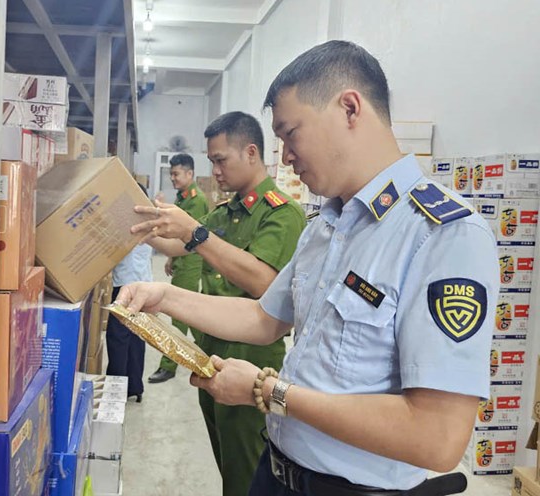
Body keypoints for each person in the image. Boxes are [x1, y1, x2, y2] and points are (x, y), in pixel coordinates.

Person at [117, 40, 498, 495]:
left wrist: (268, 390)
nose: (287, 155)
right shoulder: (327, 226)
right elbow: (265, 317)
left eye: (290, 134)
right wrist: (164, 296)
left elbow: (437, 438)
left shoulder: (441, 236)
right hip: (277, 473)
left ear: (349, 108)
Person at [134, 112, 306, 495]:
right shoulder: (227, 211)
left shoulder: (281, 214)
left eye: (220, 160)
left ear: (250, 152)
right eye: (211, 161)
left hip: (250, 358)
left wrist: (195, 233)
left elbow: (264, 282)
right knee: (226, 462)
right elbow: (180, 243)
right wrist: (142, 230)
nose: (215, 170)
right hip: (210, 353)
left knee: (247, 473)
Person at [148, 153, 210, 384]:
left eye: (176, 174)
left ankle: (168, 366)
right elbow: (180, 235)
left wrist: (176, 255)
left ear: (189, 174)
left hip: (192, 263)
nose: (172, 178)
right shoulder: (183, 197)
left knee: (179, 316)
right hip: (183, 261)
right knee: (193, 319)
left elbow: (193, 240)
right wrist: (171, 259)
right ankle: (213, 354)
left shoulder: (196, 200)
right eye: (171, 174)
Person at [105, 183, 153, 403]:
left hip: (125, 287)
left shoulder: (127, 225)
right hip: (145, 286)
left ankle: (116, 388)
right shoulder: (148, 224)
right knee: (136, 337)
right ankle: (135, 386)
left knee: (118, 338)